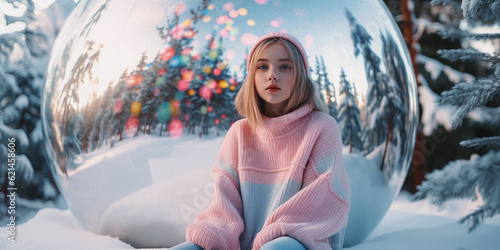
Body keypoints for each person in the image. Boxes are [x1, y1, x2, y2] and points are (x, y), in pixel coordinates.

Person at [171, 32, 350, 250]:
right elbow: (224, 203)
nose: (272, 75)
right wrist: (209, 236)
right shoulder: (239, 132)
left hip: (297, 241)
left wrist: (271, 238)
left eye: (285, 67)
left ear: (301, 75)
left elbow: (321, 200)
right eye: (262, 67)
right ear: (252, 76)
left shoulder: (322, 127)